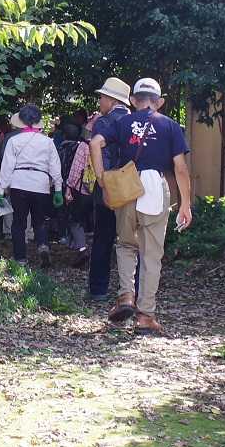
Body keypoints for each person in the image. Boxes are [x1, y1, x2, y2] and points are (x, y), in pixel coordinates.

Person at [90, 78, 194, 334]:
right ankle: (146, 315)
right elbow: (180, 168)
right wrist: (185, 204)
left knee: (125, 244)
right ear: (159, 102)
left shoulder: (122, 122)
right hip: (155, 189)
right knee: (151, 255)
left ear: (134, 101)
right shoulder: (170, 125)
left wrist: (102, 177)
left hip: (128, 187)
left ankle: (125, 296)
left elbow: (94, 143)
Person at [0, 104, 63, 267]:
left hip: (19, 183)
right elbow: (55, 166)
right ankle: (43, 246)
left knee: (19, 222)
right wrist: (58, 190)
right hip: (41, 184)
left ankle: (20, 259)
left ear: (21, 121)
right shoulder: (48, 142)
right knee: (39, 221)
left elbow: (7, 167)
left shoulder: (14, 141)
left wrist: (0, 191)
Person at [84, 78, 132, 301]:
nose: (100, 100)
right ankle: (129, 291)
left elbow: (96, 148)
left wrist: (101, 178)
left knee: (103, 237)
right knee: (130, 241)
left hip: (109, 184)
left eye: (102, 97)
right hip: (131, 185)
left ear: (112, 99)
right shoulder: (134, 121)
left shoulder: (104, 122)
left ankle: (98, 289)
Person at [53, 118, 92, 265]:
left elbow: (74, 170)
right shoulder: (104, 144)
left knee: (72, 217)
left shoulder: (79, 147)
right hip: (97, 186)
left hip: (76, 186)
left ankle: (79, 246)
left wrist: (68, 187)